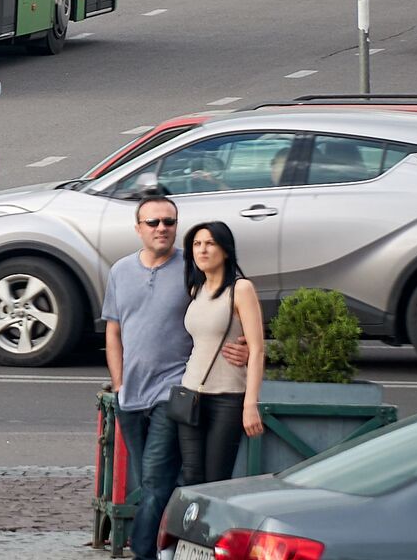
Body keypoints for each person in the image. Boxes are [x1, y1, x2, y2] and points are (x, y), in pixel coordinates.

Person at [102, 190, 248, 560]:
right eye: (154, 222)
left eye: (169, 221)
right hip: (130, 396)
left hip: (176, 392)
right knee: (153, 481)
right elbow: (114, 332)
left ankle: (145, 551)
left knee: (155, 478)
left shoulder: (192, 269)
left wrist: (243, 344)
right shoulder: (120, 271)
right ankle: (175, 545)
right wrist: (119, 385)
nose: (162, 228)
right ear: (138, 228)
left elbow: (227, 306)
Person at [175, 221, 266, 487]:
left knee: (216, 481)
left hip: (227, 399)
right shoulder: (196, 290)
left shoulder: (240, 289)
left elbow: (258, 349)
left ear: (225, 250)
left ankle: (213, 530)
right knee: (191, 477)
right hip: (190, 394)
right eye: (196, 244)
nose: (202, 250)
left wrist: (250, 404)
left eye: (210, 243)